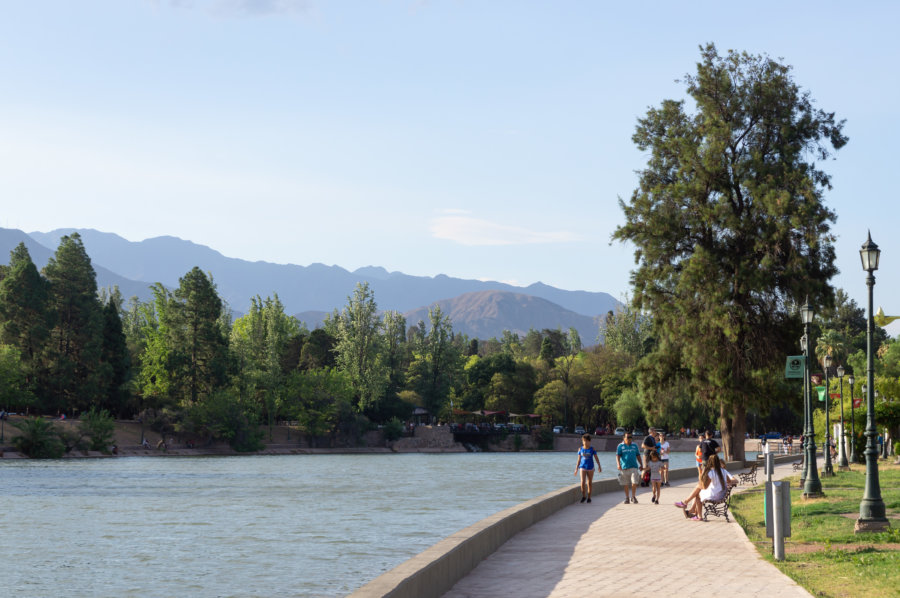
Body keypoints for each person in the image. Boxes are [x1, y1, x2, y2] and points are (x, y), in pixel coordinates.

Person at [674, 455, 737, 520]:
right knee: (698, 488)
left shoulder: (711, 472)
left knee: (698, 493)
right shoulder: (723, 471)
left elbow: (705, 487)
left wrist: (702, 478)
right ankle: (688, 505)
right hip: (721, 495)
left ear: (710, 462)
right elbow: (729, 481)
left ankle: (697, 514)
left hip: (714, 496)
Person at [574, 433, 602, 503]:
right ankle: (584, 496)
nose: (585, 442)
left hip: (590, 468)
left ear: (589, 441)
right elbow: (579, 460)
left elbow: (596, 458)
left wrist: (599, 466)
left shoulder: (592, 449)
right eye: (584, 441)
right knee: (582, 482)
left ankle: (589, 497)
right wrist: (576, 468)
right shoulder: (580, 449)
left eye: (587, 441)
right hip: (582, 467)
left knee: (589, 483)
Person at [616, 432, 642, 504]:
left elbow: (638, 455)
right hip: (624, 467)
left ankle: (633, 497)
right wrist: (618, 464)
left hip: (634, 467)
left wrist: (641, 464)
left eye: (630, 437)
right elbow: (617, 456)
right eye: (628, 437)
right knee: (626, 484)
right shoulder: (620, 446)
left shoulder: (635, 445)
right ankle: (627, 497)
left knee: (634, 482)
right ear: (624, 438)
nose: (629, 439)